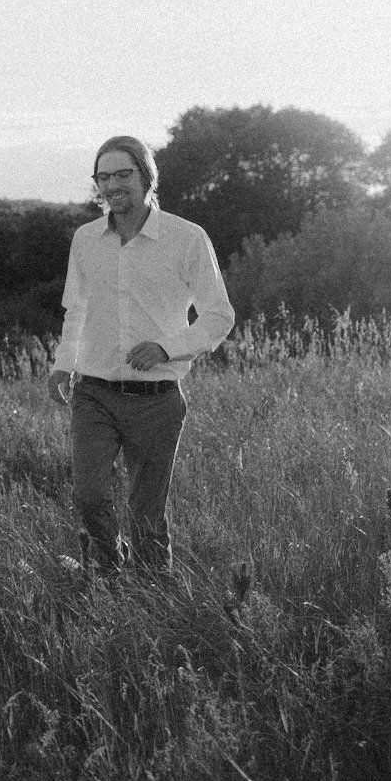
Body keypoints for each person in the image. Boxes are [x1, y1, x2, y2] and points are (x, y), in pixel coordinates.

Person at [47, 135, 235, 575]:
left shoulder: (187, 238)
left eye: (123, 174)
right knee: (88, 495)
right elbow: (77, 308)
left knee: (146, 514)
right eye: (103, 176)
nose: (112, 185)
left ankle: (152, 594)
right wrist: (62, 364)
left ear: (147, 177)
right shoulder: (86, 239)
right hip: (93, 391)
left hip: (156, 398)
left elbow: (218, 316)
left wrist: (167, 347)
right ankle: (110, 571)